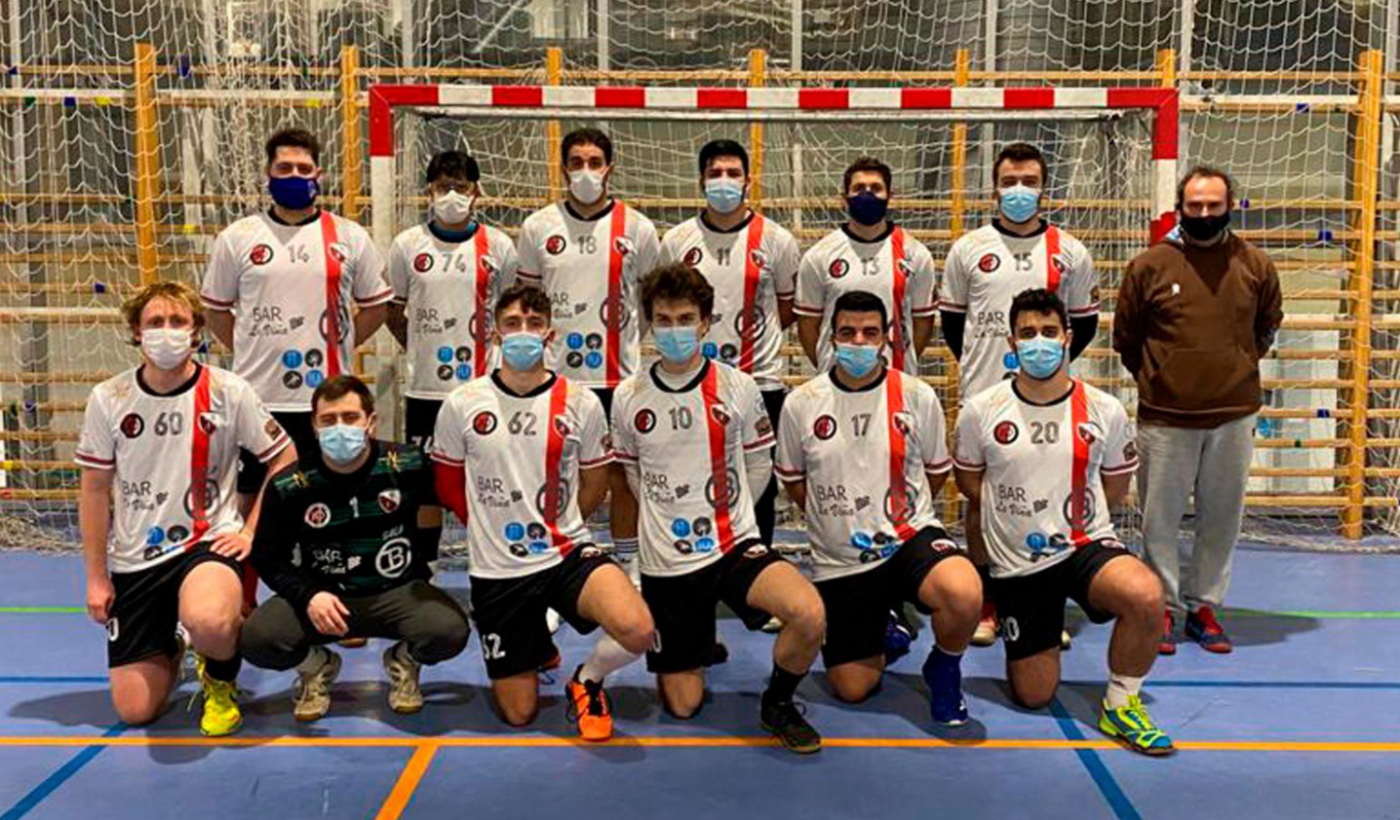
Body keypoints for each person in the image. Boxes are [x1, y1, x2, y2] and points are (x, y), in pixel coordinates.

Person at [611, 262, 827, 754]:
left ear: (705, 322)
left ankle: (778, 702)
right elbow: (632, 477)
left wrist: (731, 517)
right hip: (668, 560)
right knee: (682, 705)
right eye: (663, 320)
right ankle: (697, 637)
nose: (674, 330)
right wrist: (658, 531)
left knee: (808, 612)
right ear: (650, 323)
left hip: (732, 545)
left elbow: (758, 465)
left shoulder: (738, 386)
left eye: (685, 319)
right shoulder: (628, 396)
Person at [954, 288, 1173, 756]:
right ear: (1011, 343)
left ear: (1068, 338)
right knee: (1034, 694)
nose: (1039, 342)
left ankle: (1121, 703)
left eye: (1049, 331)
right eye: (1027, 333)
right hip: (1020, 565)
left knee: (1146, 595)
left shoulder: (1105, 409)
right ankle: (1033, 622)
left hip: (1083, 545)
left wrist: (1074, 520)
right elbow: (971, 484)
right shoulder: (981, 410)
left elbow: (1115, 486)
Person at [431, 284, 654, 741]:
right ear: (495, 333)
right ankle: (534, 644)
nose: (523, 333)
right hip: (498, 569)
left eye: (534, 324)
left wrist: (561, 526)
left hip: (564, 552)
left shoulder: (581, 402)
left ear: (549, 333)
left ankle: (586, 680)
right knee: (519, 714)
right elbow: (448, 485)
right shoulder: (462, 403)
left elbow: (595, 483)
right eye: (512, 323)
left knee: (637, 628)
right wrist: (489, 530)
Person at [77, 281, 295, 735]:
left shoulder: (228, 390)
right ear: (136, 332)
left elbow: (284, 457)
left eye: (178, 321)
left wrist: (250, 532)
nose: (167, 331)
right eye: (155, 322)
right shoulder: (109, 398)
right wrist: (97, 578)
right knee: (135, 710)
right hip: (136, 558)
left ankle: (219, 680)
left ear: (196, 331)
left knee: (211, 621)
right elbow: (95, 490)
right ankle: (174, 644)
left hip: (205, 544)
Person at [777, 290, 981, 725]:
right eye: (848, 332)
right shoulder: (801, 403)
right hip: (841, 559)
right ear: (831, 336)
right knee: (852, 688)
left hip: (907, 539)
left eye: (870, 333)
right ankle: (887, 625)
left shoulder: (916, 395)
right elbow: (795, 482)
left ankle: (944, 667)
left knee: (964, 592)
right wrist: (837, 521)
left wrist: (898, 513)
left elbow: (935, 472)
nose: (859, 342)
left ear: (887, 337)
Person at [1113, 165, 1283, 656]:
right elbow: (1127, 337)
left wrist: (1235, 367)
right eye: (1195, 206)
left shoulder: (1255, 265)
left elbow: (1267, 325)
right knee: (1159, 521)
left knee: (1221, 518)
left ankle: (1204, 607)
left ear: (1230, 206)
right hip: (1165, 417)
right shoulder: (1149, 266)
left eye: (1213, 205)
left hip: (1234, 415)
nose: (1204, 213)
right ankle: (1163, 607)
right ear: (1180, 208)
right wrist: (1163, 376)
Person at [940, 142, 1100, 649]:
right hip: (984, 395)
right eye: (1009, 182)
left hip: (1050, 400)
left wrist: (1043, 372)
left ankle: (1043, 604)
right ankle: (988, 601)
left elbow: (1084, 324)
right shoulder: (968, 249)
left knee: (1047, 497)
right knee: (980, 499)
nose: (1019, 190)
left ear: (1044, 188)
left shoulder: (1070, 252)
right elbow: (953, 325)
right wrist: (989, 371)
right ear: (994, 188)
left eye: (1029, 182)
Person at [240, 375, 470, 720]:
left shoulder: (407, 464)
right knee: (258, 639)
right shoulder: (291, 484)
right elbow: (268, 556)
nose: (339, 428)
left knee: (449, 630)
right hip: (325, 598)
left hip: (397, 592)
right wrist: (308, 595)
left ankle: (403, 660)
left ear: (370, 422)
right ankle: (316, 666)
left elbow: (451, 498)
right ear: (314, 426)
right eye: (328, 420)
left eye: (350, 418)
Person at [200, 128, 392, 512]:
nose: (294, 175)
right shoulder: (238, 237)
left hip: (327, 401)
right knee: (251, 505)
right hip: (257, 396)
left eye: (303, 169)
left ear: (319, 175)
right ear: (268, 174)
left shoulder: (350, 236)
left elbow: (376, 308)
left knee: (328, 504)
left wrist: (339, 343)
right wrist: (251, 348)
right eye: (284, 168)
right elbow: (215, 311)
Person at [515, 127, 660, 570]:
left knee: (621, 474)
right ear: (563, 169)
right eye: (576, 162)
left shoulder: (638, 228)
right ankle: (552, 559)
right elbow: (528, 305)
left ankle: (629, 564)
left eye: (594, 162)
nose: (585, 171)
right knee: (550, 470)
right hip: (554, 379)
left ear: (609, 168)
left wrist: (630, 341)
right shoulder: (537, 227)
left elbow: (650, 302)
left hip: (618, 377)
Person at [659, 139, 800, 548]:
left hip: (760, 382)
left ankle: (756, 565)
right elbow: (664, 306)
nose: (724, 181)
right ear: (701, 181)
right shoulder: (677, 240)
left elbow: (786, 308)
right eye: (715, 173)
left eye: (733, 173)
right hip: (691, 382)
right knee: (691, 474)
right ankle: (694, 557)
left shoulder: (776, 240)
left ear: (748, 181)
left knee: (759, 481)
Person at [386, 149, 518, 556]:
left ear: (475, 191)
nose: (452, 196)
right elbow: (393, 310)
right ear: (429, 190)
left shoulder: (499, 246)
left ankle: (491, 558)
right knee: (426, 486)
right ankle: (426, 567)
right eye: (444, 187)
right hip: (426, 390)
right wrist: (420, 349)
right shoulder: (407, 245)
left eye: (460, 187)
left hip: (485, 388)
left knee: (488, 480)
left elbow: (509, 312)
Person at [794, 157, 937, 377]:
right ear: (845, 198)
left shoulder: (916, 254)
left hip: (896, 380)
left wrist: (900, 361)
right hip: (835, 380)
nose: (867, 195)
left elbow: (923, 324)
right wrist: (829, 365)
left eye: (876, 188)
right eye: (859, 188)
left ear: (890, 196)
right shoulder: (819, 255)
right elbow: (807, 325)